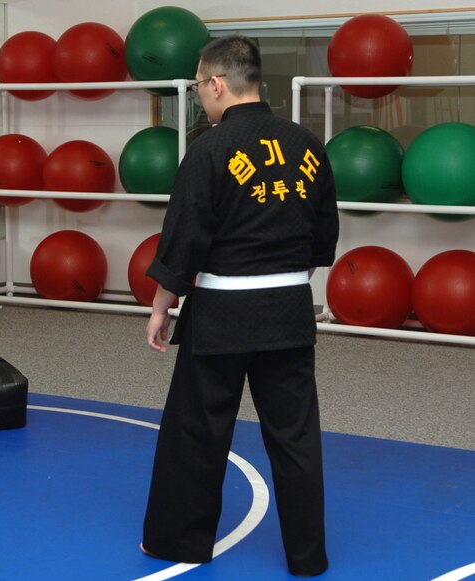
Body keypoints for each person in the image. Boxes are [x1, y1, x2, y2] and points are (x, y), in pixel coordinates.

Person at [140, 35, 339, 577]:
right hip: (289, 313)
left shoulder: (209, 150)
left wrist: (160, 306)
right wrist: (283, 282)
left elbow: (183, 240)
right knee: (296, 438)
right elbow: (323, 238)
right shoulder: (307, 145)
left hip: (221, 317)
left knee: (197, 431)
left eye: (199, 85)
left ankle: (179, 542)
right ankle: (308, 557)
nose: (200, 95)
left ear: (216, 84)